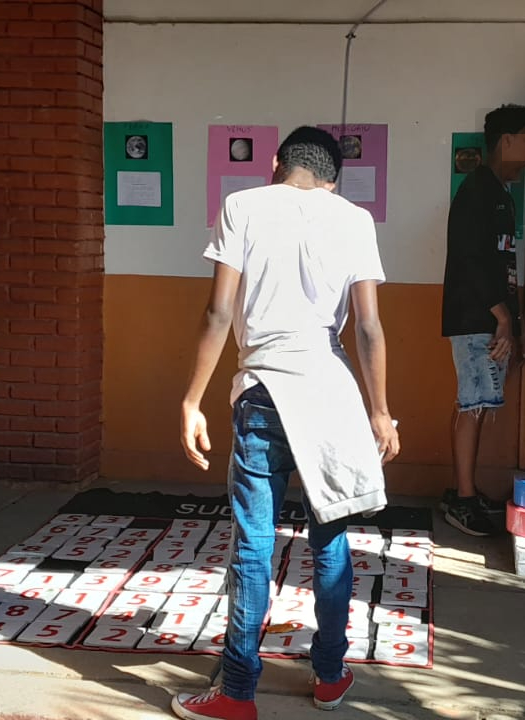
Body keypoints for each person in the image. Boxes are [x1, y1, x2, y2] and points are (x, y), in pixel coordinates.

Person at [175, 126, 400, 720]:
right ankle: (329, 674)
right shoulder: (355, 220)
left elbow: (218, 311)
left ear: (275, 162)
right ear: (333, 180)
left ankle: (236, 694)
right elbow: (368, 327)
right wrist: (380, 410)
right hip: (331, 393)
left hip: (263, 391)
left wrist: (192, 400)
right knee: (331, 540)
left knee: (253, 545)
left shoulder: (242, 206)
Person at [440, 104, 525, 536]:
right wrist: (501, 317)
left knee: (476, 403)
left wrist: (516, 323)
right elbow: (470, 258)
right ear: (507, 140)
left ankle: (465, 490)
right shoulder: (476, 189)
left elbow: (503, 265)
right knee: (473, 404)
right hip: (475, 318)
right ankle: (462, 500)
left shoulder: (500, 193)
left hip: (494, 320)